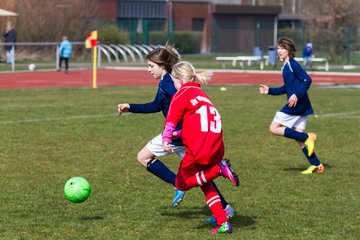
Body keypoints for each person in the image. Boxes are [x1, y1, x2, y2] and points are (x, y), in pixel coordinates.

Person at [117, 45, 235, 221]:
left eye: (151, 66)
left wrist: (177, 132)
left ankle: (178, 185)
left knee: (143, 157)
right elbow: (157, 105)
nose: (148, 70)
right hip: (185, 135)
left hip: (178, 136)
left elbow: (184, 100)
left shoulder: (168, 83)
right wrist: (131, 107)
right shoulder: (165, 82)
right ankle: (224, 208)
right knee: (201, 175)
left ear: (162, 66)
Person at [162, 61, 239, 234]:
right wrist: (180, 135)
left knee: (181, 183)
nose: (174, 85)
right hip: (215, 145)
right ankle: (223, 222)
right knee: (204, 183)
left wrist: (166, 138)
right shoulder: (201, 94)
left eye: (174, 81)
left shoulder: (181, 94)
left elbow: (171, 120)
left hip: (199, 148)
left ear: (180, 80)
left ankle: (218, 170)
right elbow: (200, 124)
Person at [259, 37, 324, 174]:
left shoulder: (292, 64)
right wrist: (269, 91)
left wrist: (296, 95)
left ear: (289, 50)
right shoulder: (285, 66)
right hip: (301, 105)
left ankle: (308, 137)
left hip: (297, 104)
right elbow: (286, 88)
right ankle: (317, 165)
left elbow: (307, 79)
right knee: (298, 137)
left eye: (283, 48)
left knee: (273, 128)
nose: (279, 51)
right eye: (278, 48)